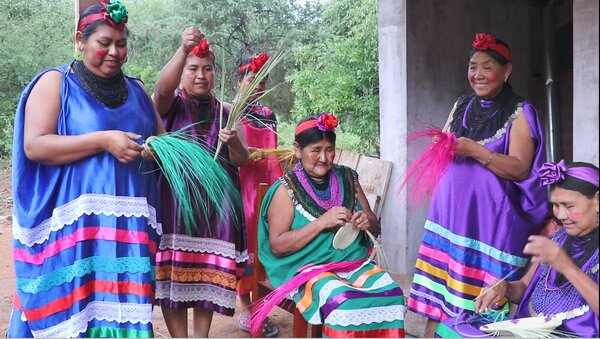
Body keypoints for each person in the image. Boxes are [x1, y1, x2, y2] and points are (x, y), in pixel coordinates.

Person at [7, 1, 164, 337]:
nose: (114, 52)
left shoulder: (137, 90)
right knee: (74, 313)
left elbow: (163, 143)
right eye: (103, 43)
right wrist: (103, 140)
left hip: (127, 234)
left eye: (121, 44)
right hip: (75, 233)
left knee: (120, 315)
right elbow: (35, 145)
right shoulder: (56, 83)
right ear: (80, 40)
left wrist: (157, 151)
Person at [407, 32, 548, 337]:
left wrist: (474, 150)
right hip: (451, 216)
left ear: (506, 71)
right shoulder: (461, 104)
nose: (478, 74)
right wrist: (440, 145)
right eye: (473, 66)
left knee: (477, 306)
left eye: (487, 67)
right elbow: (444, 145)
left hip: (490, 224)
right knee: (441, 296)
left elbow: (520, 169)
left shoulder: (520, 113)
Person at [257, 114, 406, 338]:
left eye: (330, 149)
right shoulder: (286, 189)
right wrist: (321, 222)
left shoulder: (347, 177)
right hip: (305, 267)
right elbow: (278, 245)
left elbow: (375, 227)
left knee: (391, 295)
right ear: (298, 149)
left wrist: (368, 222)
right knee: (343, 300)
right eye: (315, 150)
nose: (324, 158)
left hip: (351, 262)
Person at [151, 26, 249, 338]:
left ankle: (201, 337)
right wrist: (182, 50)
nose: (201, 75)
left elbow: (241, 159)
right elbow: (161, 92)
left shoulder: (226, 112)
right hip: (177, 208)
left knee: (207, 275)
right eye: (193, 68)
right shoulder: (171, 106)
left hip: (217, 211)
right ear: (182, 73)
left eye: (207, 69)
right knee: (176, 278)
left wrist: (232, 142)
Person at [435, 161, 599, 338]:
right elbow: (524, 287)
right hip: (529, 330)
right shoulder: (559, 238)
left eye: (569, 206)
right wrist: (504, 288)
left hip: (574, 335)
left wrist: (566, 266)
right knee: (451, 329)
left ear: (597, 201)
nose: (560, 215)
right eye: (556, 205)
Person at [235, 53, 282, 337]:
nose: (258, 85)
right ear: (240, 81)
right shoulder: (231, 112)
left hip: (271, 186)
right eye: (252, 79)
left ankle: (261, 308)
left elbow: (274, 152)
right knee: (247, 246)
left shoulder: (269, 115)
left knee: (268, 244)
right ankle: (244, 309)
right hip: (245, 187)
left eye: (262, 80)